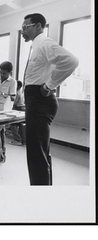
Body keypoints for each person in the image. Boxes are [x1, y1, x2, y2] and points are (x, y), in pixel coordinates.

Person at [22, 13, 79, 185]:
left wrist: (49, 86)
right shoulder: (36, 46)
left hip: (40, 100)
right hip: (35, 99)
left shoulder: (44, 43)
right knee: (40, 153)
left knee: (36, 155)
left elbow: (71, 61)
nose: (22, 31)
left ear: (38, 26)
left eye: (26, 27)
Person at [9, 80, 26, 146]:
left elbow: (14, 102)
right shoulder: (21, 92)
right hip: (23, 108)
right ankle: (23, 141)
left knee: (13, 124)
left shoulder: (17, 93)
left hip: (18, 108)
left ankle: (17, 139)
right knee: (21, 125)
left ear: (18, 86)